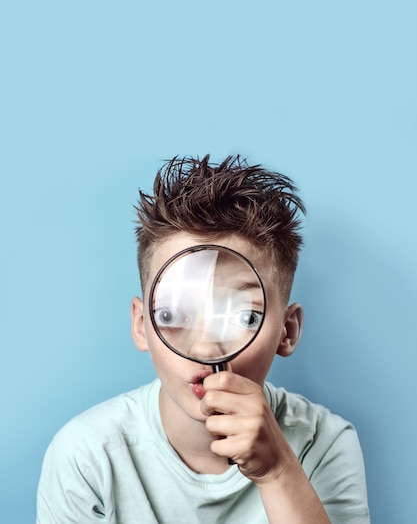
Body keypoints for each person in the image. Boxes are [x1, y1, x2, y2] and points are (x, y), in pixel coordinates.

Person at [36, 155, 370, 523]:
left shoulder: (325, 442)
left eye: (245, 316)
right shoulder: (85, 454)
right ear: (140, 324)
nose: (207, 349)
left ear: (286, 331)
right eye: (171, 315)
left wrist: (277, 472)